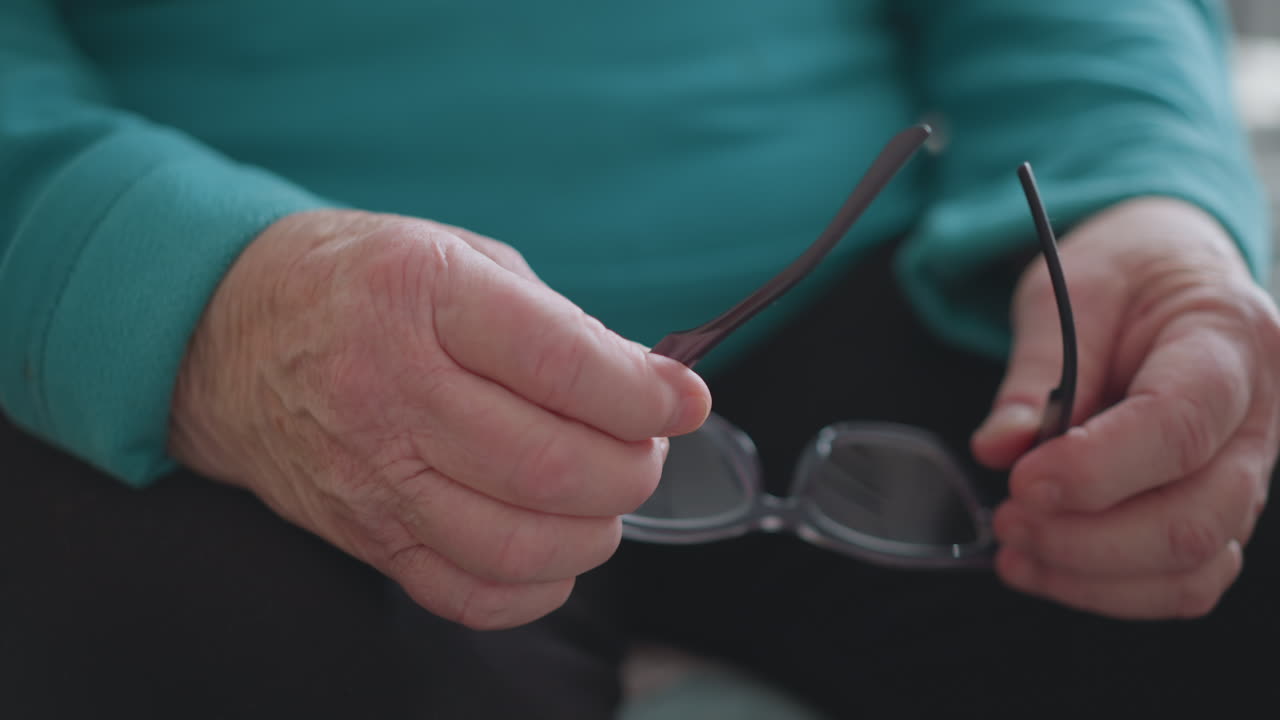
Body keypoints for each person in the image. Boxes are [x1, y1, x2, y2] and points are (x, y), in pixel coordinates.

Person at [1, 1, 1277, 718]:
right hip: (229, 350)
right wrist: (191, 302)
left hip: (912, 301)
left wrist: (1144, 196)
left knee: (1209, 499)